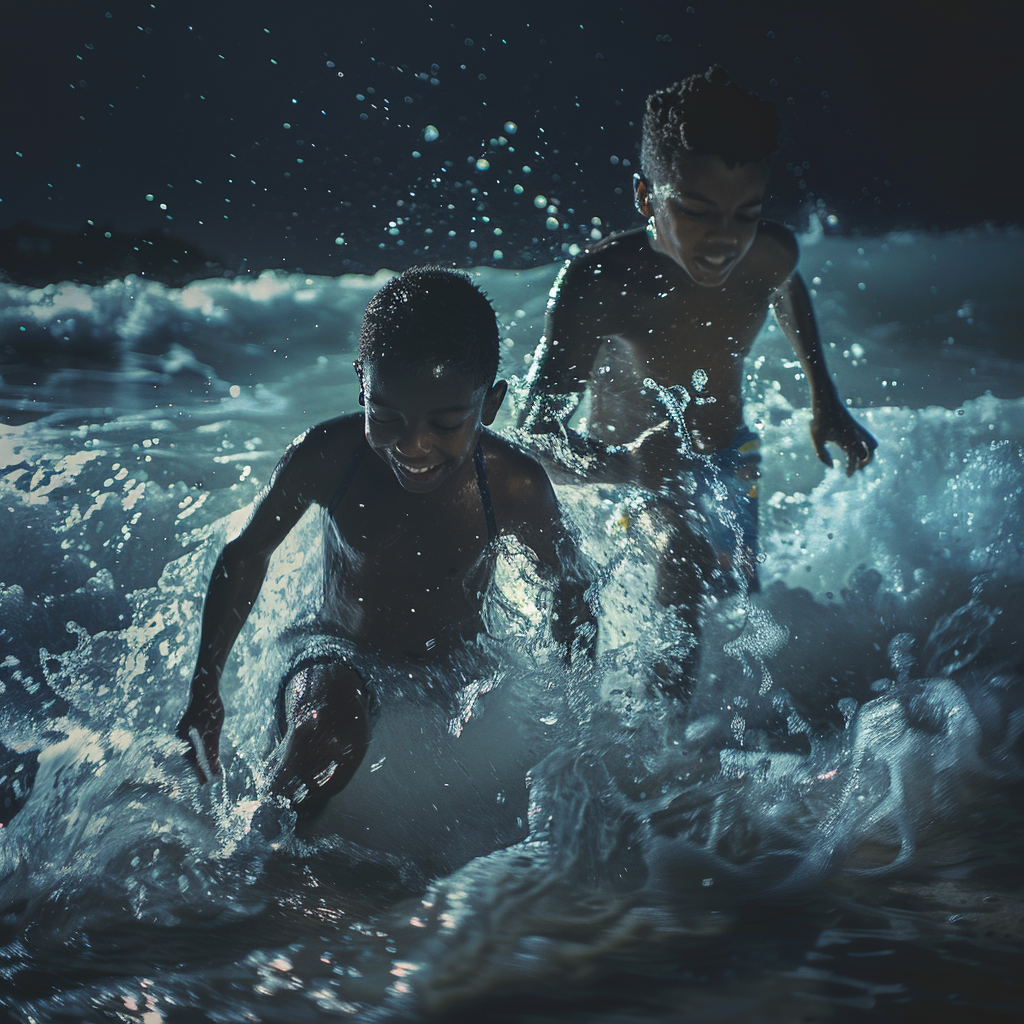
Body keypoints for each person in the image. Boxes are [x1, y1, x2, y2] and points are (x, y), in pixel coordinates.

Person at [177, 267, 595, 817]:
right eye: (388, 416)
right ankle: (257, 863)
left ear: (489, 408)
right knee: (328, 735)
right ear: (362, 386)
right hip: (336, 652)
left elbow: (569, 586)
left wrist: (579, 719)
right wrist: (205, 684)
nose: (414, 445)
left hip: (453, 670)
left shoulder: (513, 485)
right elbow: (247, 552)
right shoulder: (329, 456)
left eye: (446, 424)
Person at [516, 66, 876, 699]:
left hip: (730, 458)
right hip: (626, 477)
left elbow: (785, 286)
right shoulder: (600, 284)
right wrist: (625, 466)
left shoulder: (770, 252)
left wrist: (827, 402)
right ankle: (664, 762)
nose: (724, 239)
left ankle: (732, 755)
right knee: (680, 562)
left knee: (743, 610)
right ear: (644, 197)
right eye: (696, 210)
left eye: (745, 213)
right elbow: (531, 437)